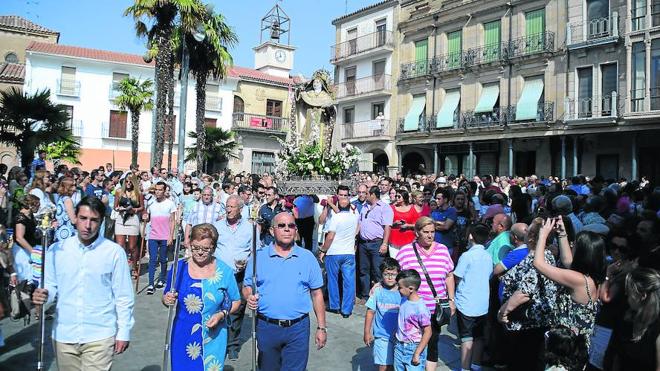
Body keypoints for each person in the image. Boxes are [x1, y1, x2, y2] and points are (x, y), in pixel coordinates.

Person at [32, 196, 135, 371]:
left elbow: (123, 296)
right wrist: (42, 296)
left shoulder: (114, 252)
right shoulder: (57, 250)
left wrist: (124, 331)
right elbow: (50, 286)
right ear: (75, 218)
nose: (88, 225)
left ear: (101, 221)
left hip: (100, 335)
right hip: (65, 334)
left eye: (94, 220)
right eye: (83, 218)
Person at [243, 212, 326, 371]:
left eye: (291, 225)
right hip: (267, 326)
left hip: (298, 328)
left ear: (296, 230)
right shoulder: (258, 257)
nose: (287, 229)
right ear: (272, 231)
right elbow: (247, 286)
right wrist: (249, 296)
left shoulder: (307, 257)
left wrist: (322, 328)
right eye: (281, 225)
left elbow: (317, 294)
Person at [162, 223, 241, 370]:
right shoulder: (178, 269)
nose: (199, 252)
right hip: (183, 333)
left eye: (205, 248)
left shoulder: (225, 271)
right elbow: (166, 297)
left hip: (214, 335)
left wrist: (222, 314)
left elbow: (236, 301)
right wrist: (167, 299)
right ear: (190, 244)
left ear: (214, 248)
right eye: (195, 247)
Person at [533, 220, 605, 365]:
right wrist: (562, 234)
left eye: (575, 245)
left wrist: (542, 235)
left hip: (568, 346)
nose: (572, 246)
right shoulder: (591, 277)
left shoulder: (578, 280)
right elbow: (567, 261)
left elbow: (539, 264)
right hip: (576, 342)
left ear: (582, 252)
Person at [497, 217, 560, 371]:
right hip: (532, 322)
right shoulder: (544, 254)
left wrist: (504, 311)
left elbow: (525, 291)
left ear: (531, 237)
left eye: (528, 230)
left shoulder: (538, 258)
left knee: (522, 362)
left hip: (527, 323)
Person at [396, 216, 455, 371]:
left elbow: (449, 276)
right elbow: (395, 277)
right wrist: (379, 286)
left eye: (433, 232)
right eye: (426, 232)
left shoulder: (442, 250)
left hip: (435, 310)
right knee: (411, 345)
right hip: (412, 311)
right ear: (417, 232)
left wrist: (451, 299)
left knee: (432, 344)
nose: (430, 235)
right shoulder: (405, 252)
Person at [212, 195, 253, 360]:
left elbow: (255, 251)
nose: (228, 210)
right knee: (217, 306)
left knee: (237, 309)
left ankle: (233, 345)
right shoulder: (217, 226)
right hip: (220, 274)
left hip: (239, 275)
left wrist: (247, 262)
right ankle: (217, 343)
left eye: (232, 207)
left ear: (240, 209)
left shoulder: (250, 228)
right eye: (227, 206)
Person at [453, 223, 493, 371]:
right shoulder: (488, 256)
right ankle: (476, 364)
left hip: (466, 302)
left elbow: (457, 276)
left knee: (466, 337)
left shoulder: (467, 255)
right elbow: (489, 275)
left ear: (471, 237)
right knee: (479, 336)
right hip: (482, 302)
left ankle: (464, 367)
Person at [604, 267, 660, 370]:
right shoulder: (625, 317)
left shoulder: (656, 328)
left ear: (642, 296)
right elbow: (616, 357)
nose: (626, 294)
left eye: (629, 291)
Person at [318, 185, 359, 318]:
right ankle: (346, 309)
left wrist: (323, 249)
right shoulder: (353, 214)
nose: (343, 197)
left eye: (345, 195)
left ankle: (335, 305)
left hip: (334, 251)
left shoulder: (338, 216)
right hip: (348, 252)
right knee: (348, 281)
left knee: (333, 280)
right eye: (341, 195)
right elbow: (321, 221)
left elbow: (330, 236)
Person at [364, 258, 403, 371]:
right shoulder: (377, 291)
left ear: (398, 274)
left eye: (393, 274)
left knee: (397, 365)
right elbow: (370, 312)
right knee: (383, 365)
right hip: (381, 335)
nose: (390, 277)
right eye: (386, 274)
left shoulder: (402, 292)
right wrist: (367, 332)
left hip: (400, 336)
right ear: (381, 274)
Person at [358, 186, 394, 303]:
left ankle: (380, 295)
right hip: (363, 243)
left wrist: (384, 244)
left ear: (373, 195)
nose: (364, 195)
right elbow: (360, 223)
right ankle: (365, 295)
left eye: (367, 193)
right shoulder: (365, 206)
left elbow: (387, 227)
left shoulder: (384, 208)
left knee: (377, 270)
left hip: (376, 243)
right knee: (364, 270)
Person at [393, 269, 432, 371]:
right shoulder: (403, 300)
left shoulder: (420, 309)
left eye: (400, 287)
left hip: (414, 348)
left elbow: (428, 332)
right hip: (399, 346)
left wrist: (417, 353)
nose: (398, 289)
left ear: (411, 288)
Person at [144, 181, 176, 295]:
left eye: (160, 190)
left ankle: (162, 279)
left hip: (164, 236)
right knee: (152, 259)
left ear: (164, 191)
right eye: (156, 190)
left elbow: (172, 221)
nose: (157, 192)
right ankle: (151, 283)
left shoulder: (170, 204)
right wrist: (145, 217)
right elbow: (147, 219)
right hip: (153, 235)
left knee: (163, 259)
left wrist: (171, 236)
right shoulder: (151, 203)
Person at [114, 174, 144, 278]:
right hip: (121, 219)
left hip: (132, 218)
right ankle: (121, 267)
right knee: (120, 246)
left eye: (130, 182)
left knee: (132, 247)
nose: (128, 184)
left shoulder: (138, 193)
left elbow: (142, 207)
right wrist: (119, 208)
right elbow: (115, 206)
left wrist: (135, 209)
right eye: (126, 182)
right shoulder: (119, 191)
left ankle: (134, 266)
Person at [12, 194, 40, 283]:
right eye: (37, 205)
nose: (39, 207)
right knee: (24, 279)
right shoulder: (20, 218)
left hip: (29, 248)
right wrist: (33, 252)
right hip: (22, 251)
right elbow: (19, 238)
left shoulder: (30, 215)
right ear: (30, 206)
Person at [390, 189, 418, 258]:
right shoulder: (391, 208)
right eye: (396, 196)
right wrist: (394, 224)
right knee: (395, 261)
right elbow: (387, 223)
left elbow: (417, 224)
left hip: (409, 240)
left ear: (405, 198)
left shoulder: (412, 209)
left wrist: (407, 225)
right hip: (394, 240)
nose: (397, 198)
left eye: (399, 196)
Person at [431, 188, 457, 255]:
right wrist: (440, 223)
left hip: (447, 247)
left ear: (445, 199)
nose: (436, 201)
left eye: (439, 199)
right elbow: (430, 225)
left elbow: (446, 227)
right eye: (436, 199)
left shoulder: (452, 211)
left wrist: (434, 224)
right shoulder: (434, 212)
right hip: (434, 247)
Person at [54, 177, 77, 242]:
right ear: (68, 187)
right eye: (73, 186)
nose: (75, 188)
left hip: (60, 231)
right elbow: (73, 220)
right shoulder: (67, 200)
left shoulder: (61, 198)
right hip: (67, 232)